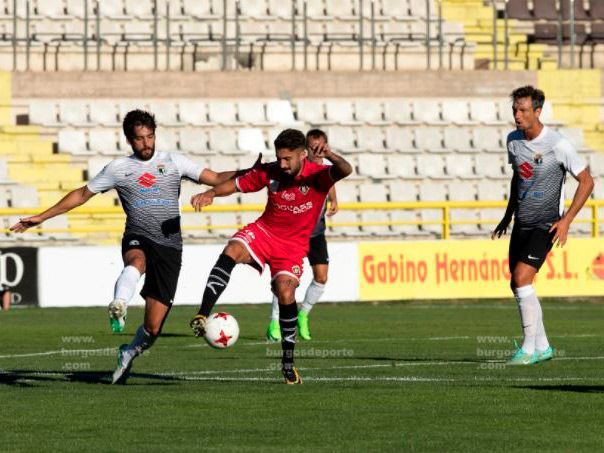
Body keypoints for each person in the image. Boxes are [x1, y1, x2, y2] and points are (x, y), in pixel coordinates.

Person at [10, 109, 249, 384]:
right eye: (139, 139)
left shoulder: (173, 162)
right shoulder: (118, 169)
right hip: (137, 234)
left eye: (150, 137)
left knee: (153, 328)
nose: (146, 143)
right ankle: (119, 304)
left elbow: (218, 178)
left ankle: (128, 352)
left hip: (170, 248)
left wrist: (254, 171)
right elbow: (81, 194)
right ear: (129, 140)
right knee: (135, 261)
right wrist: (41, 217)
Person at [188, 128, 353, 384]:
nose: (282, 164)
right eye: (279, 158)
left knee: (285, 292)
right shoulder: (271, 171)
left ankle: (288, 363)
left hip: (293, 247)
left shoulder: (318, 176)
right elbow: (235, 184)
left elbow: (345, 170)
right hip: (265, 232)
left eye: (288, 159)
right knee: (232, 249)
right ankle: (202, 314)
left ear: (303, 155)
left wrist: (330, 154)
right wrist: (210, 193)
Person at [492, 86, 593, 365]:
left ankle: (527, 350)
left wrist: (567, 220)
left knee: (521, 278)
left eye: (523, 110)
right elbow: (518, 178)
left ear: (538, 111)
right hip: (522, 222)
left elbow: (587, 181)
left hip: (546, 224)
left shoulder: (558, 144)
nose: (517, 115)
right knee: (518, 285)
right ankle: (544, 346)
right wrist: (507, 215)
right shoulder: (513, 140)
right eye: (515, 109)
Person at [265, 129, 338, 342]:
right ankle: (275, 321)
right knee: (283, 280)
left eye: (319, 147)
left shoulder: (323, 171)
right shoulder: (295, 171)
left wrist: (334, 199)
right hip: (292, 234)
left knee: (322, 277)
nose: (316, 151)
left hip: (315, 233)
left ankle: (303, 314)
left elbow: (329, 182)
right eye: (312, 147)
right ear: (305, 150)